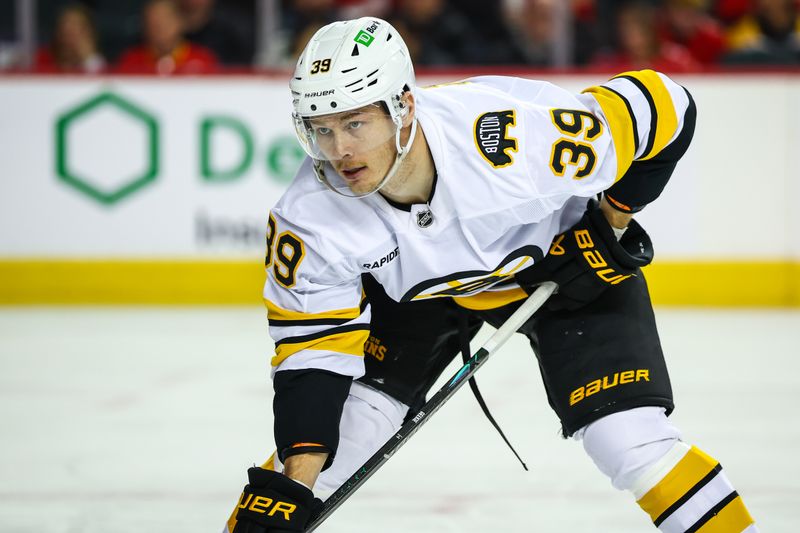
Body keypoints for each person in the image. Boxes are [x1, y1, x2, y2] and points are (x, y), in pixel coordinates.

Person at [225, 17, 759, 533]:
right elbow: (313, 358)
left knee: (630, 443)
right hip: (419, 299)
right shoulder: (309, 219)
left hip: (560, 268)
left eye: (355, 123)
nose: (338, 150)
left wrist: (610, 219)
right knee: (333, 450)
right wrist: (293, 490)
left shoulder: (513, 140)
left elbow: (667, 105)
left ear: (403, 108)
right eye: (321, 128)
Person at [116, 0, 218, 75]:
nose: (160, 29)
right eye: (153, 24)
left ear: (179, 23)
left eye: (165, 22)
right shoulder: (131, 61)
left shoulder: (202, 60)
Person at [34, 3, 106, 73]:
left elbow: (104, 82)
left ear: (90, 34)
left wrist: (90, 59)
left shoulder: (97, 63)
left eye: (78, 28)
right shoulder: (42, 59)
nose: (69, 33)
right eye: (65, 26)